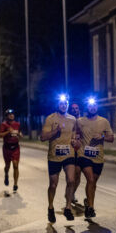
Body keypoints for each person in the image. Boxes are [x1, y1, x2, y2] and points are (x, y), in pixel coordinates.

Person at [40, 94, 79, 222]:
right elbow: (43, 137)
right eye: (61, 103)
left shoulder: (72, 119)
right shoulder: (50, 119)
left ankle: (68, 208)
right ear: (57, 105)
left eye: (65, 103)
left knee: (71, 180)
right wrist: (54, 131)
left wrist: (74, 140)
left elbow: (75, 134)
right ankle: (50, 208)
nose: (63, 105)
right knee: (53, 185)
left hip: (69, 154)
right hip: (54, 156)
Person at [76, 97, 114, 218]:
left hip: (98, 157)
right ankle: (91, 208)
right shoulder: (80, 121)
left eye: (94, 106)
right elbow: (75, 134)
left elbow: (111, 138)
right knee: (91, 180)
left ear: (97, 107)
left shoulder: (104, 121)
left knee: (93, 183)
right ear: (87, 107)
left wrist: (102, 136)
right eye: (90, 106)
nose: (92, 108)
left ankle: (88, 202)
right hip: (84, 155)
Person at [0, 109, 22, 193]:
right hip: (7, 148)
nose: (11, 115)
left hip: (15, 147)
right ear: (6, 116)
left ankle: (15, 184)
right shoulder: (4, 125)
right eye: (9, 114)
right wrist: (8, 131)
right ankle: (6, 175)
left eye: (12, 114)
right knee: (7, 165)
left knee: (15, 165)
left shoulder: (17, 124)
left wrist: (20, 134)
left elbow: (19, 133)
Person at [69, 102, 81, 204]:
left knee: (78, 177)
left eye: (76, 108)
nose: (75, 110)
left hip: (81, 151)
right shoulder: (68, 120)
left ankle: (71, 193)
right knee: (73, 175)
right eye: (73, 109)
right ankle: (70, 195)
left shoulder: (83, 121)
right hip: (71, 151)